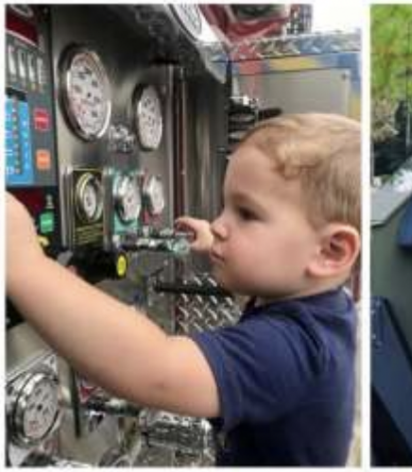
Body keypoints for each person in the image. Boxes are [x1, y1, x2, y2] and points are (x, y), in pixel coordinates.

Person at [6, 114, 362, 466]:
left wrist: (26, 267)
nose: (220, 224)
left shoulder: (294, 350)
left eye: (247, 214)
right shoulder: (321, 303)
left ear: (331, 252)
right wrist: (216, 244)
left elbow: (157, 370)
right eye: (226, 208)